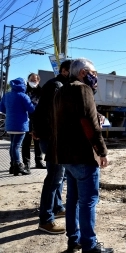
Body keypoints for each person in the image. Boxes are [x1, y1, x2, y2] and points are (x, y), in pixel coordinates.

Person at [52, 58, 113, 253]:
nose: (95, 77)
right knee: (88, 201)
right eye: (93, 73)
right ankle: (90, 245)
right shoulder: (82, 89)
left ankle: (74, 240)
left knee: (73, 200)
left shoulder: (60, 91)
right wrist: (101, 151)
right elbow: (89, 124)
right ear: (83, 73)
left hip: (66, 156)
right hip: (83, 155)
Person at [33, 60, 73, 236]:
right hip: (53, 138)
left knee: (59, 175)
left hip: (49, 136)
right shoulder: (57, 86)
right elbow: (54, 114)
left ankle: (57, 207)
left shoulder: (54, 84)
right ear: (65, 71)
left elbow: (40, 111)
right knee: (55, 177)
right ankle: (46, 220)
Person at [0, 78, 35, 175]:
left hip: (9, 124)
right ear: (23, 85)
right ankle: (18, 166)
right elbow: (31, 109)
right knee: (16, 146)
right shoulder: (23, 96)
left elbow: (2, 109)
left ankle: (12, 166)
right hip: (20, 125)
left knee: (13, 146)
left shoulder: (6, 95)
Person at [22, 73, 45, 171]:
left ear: (38, 81)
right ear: (28, 80)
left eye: (35, 80)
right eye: (31, 80)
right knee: (26, 141)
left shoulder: (42, 91)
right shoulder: (24, 91)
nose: (33, 82)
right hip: (26, 119)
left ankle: (39, 161)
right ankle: (26, 163)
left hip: (38, 119)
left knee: (38, 141)